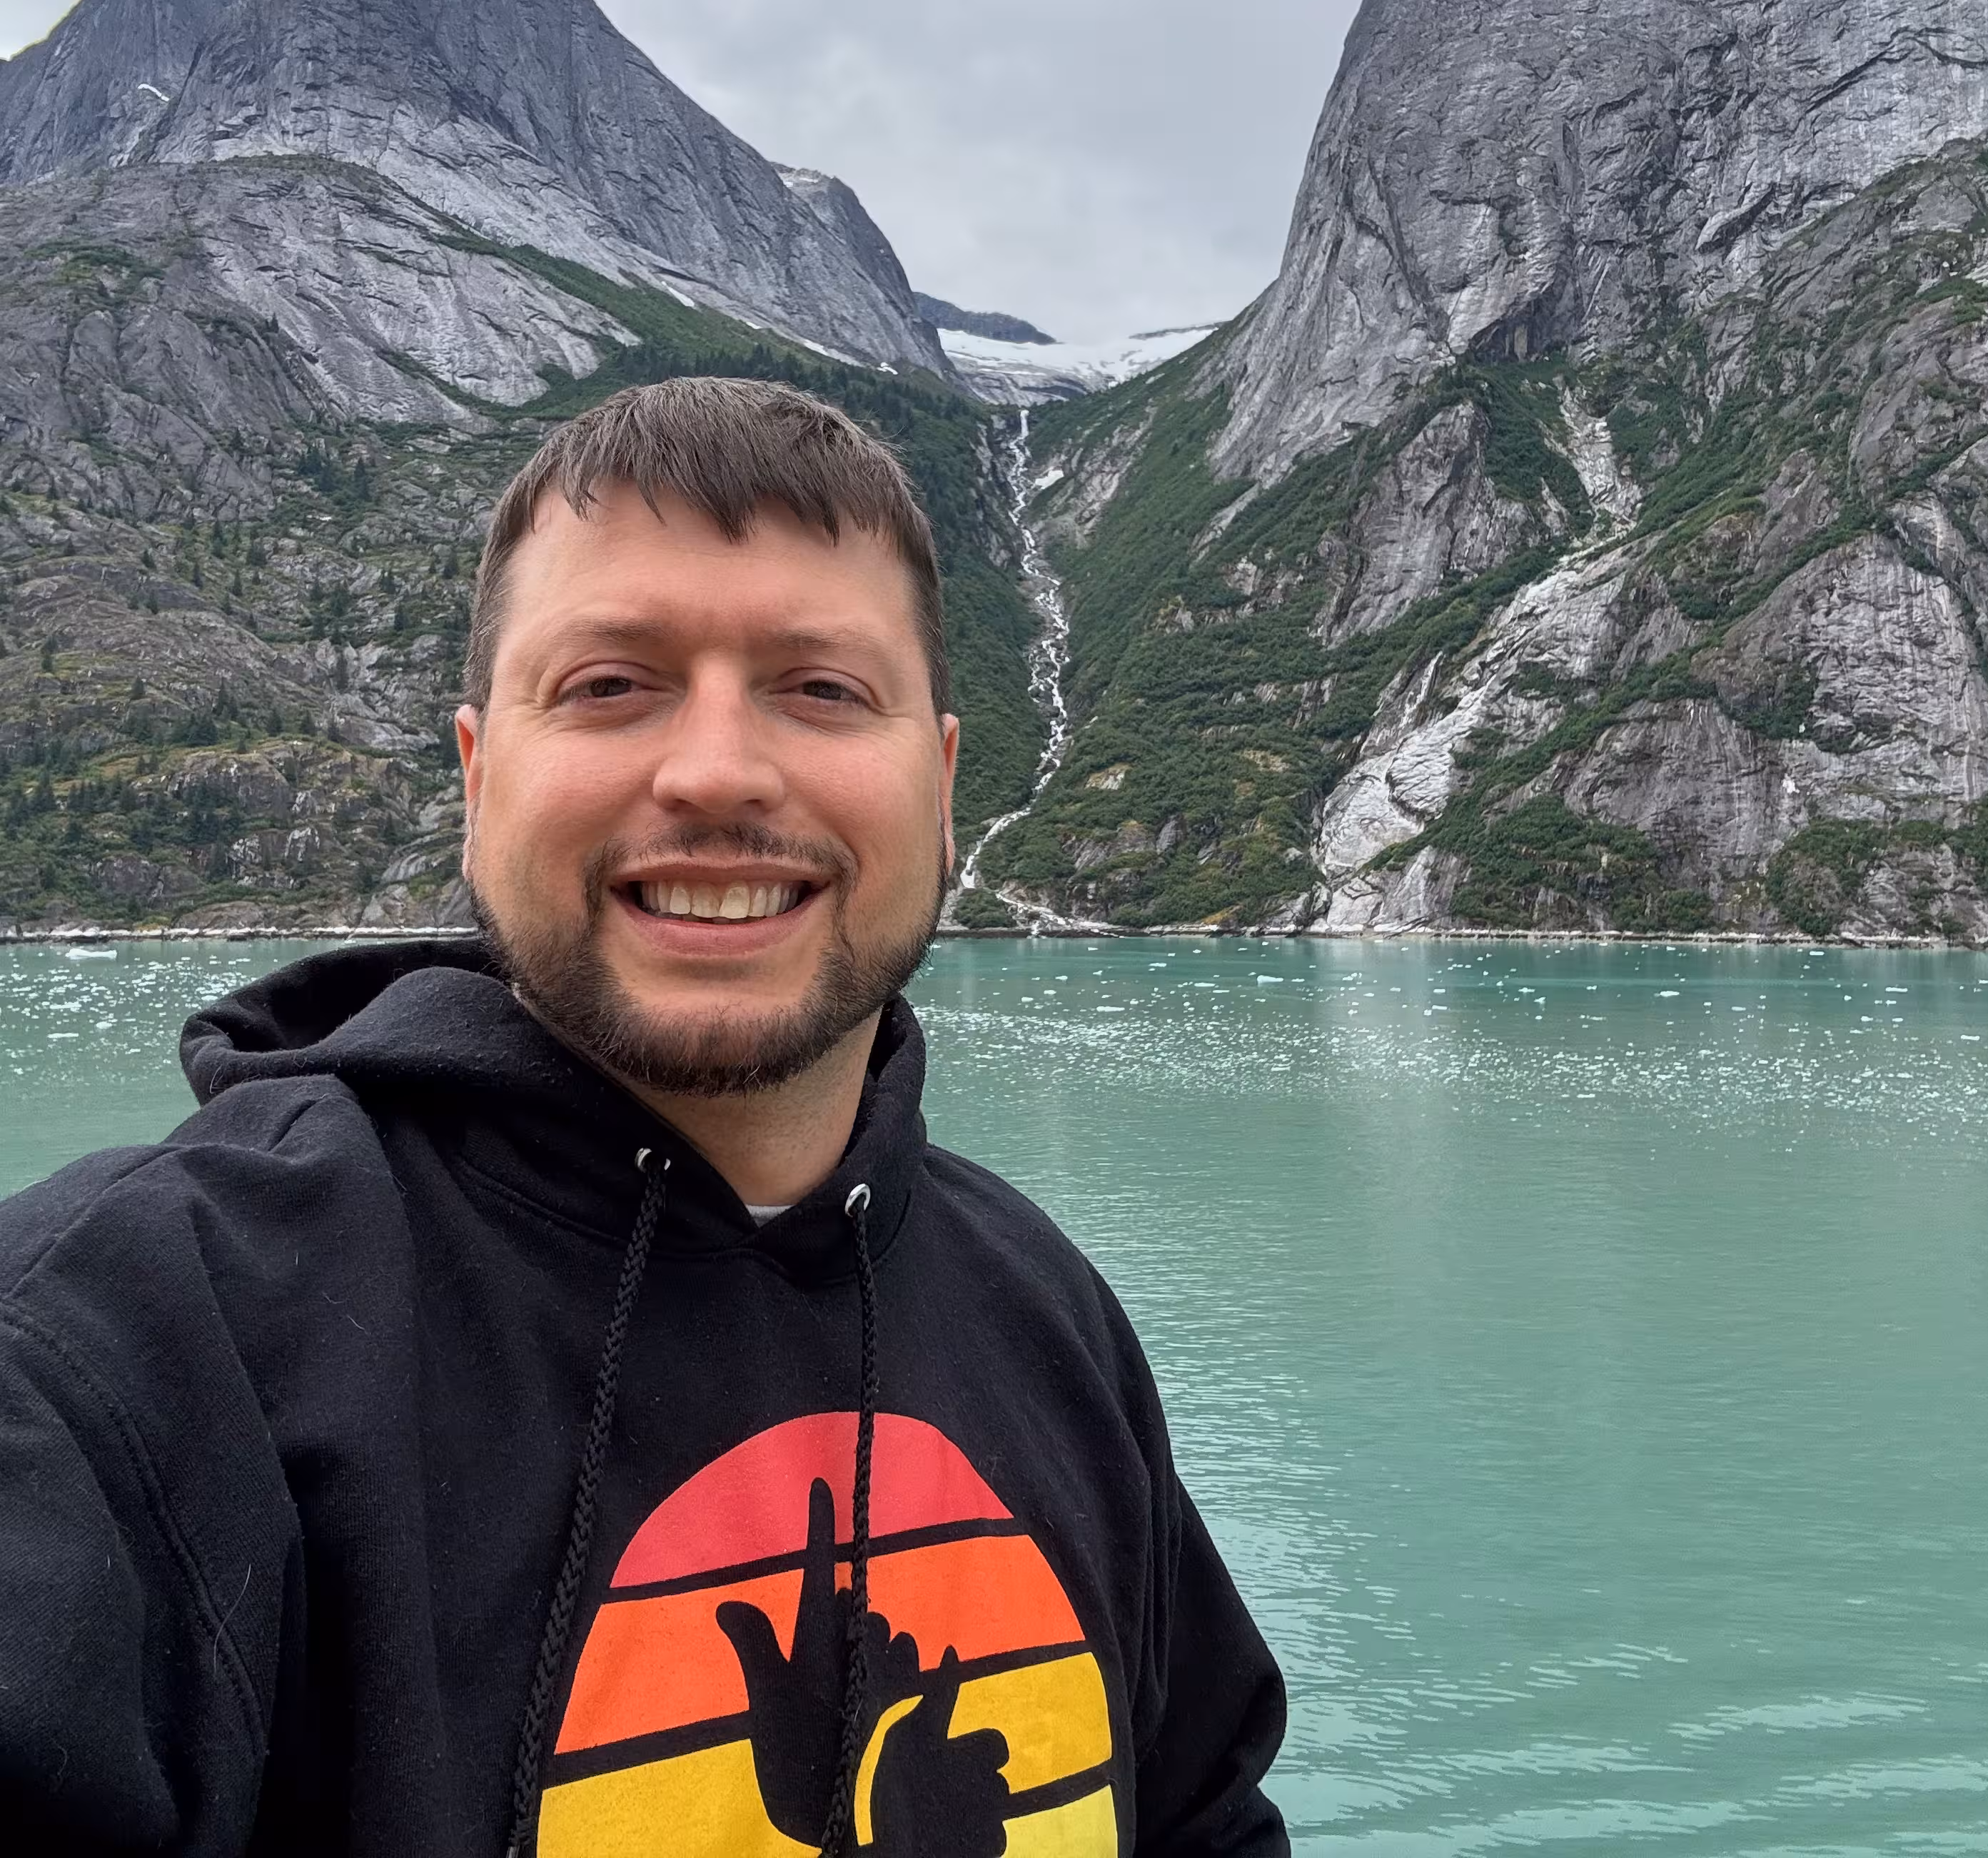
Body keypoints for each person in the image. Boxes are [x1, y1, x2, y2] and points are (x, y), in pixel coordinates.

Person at [0, 378, 1288, 1856]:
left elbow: (1203, 1817)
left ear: (938, 789)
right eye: (613, 684)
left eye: (821, 688)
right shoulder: (124, 1344)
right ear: (481, 780)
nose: (718, 772)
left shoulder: (1043, 1311)